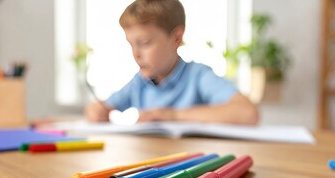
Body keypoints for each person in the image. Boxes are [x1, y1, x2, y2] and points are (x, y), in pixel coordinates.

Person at [85, 0, 259, 125]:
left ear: (176, 38)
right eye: (131, 44)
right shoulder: (139, 82)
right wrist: (97, 110)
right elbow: (102, 107)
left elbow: (248, 113)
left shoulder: (198, 76)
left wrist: (173, 114)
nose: (136, 54)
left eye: (145, 43)